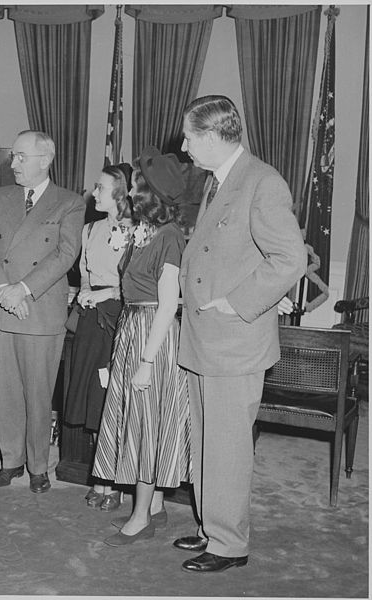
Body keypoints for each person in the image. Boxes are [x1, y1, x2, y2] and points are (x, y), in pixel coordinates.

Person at [175, 95, 306, 573]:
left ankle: (229, 545)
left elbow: (289, 259)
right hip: (205, 337)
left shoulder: (262, 181)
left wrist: (237, 301)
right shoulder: (219, 180)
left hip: (234, 338)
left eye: (190, 137)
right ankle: (212, 525)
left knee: (228, 444)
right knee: (207, 439)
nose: (184, 146)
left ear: (212, 136)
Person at [0, 130, 85, 493]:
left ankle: (39, 465)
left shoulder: (69, 202)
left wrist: (21, 289)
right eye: (14, 156)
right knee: (4, 390)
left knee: (39, 392)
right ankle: (11, 461)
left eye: (21, 157)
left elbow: (66, 254)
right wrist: (2, 291)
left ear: (46, 159)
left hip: (39, 308)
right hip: (4, 306)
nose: (13, 163)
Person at [92, 146, 191, 546]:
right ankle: (155, 506)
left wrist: (147, 361)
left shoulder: (169, 237)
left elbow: (168, 303)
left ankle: (140, 518)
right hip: (134, 327)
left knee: (146, 423)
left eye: (134, 188)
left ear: (150, 194)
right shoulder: (144, 231)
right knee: (140, 418)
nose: (129, 194)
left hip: (153, 333)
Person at [64, 163, 133, 510]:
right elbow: (87, 277)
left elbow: (139, 285)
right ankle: (100, 476)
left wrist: (105, 295)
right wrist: (84, 293)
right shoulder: (89, 229)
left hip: (120, 319)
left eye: (102, 188)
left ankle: (115, 481)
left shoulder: (138, 231)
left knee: (114, 401)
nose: (95, 193)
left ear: (121, 193)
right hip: (91, 321)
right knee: (94, 400)